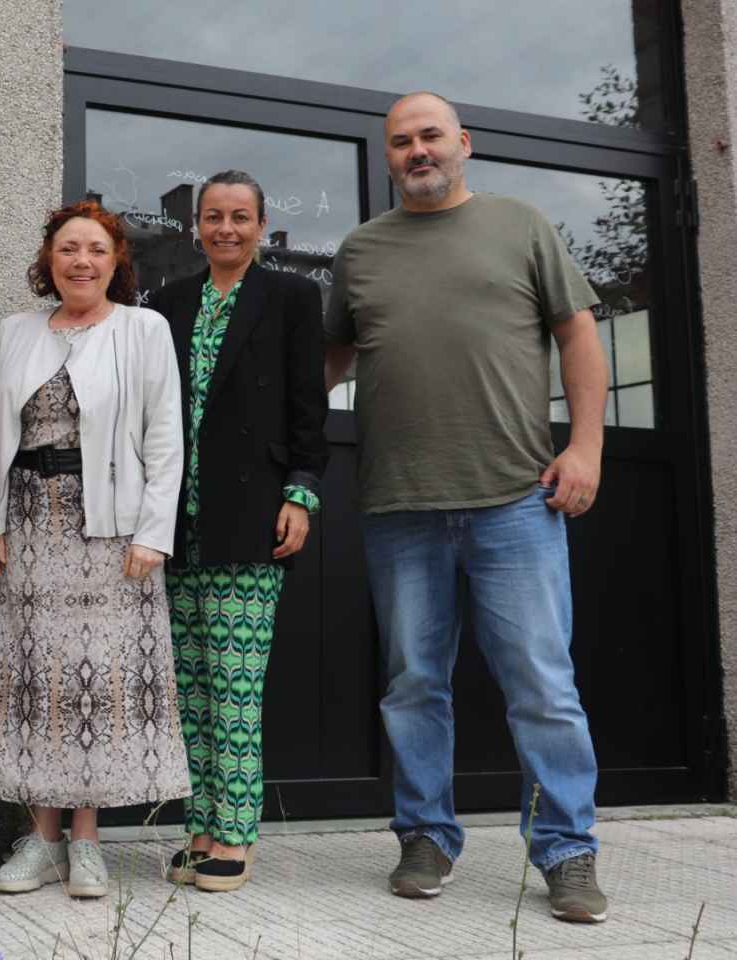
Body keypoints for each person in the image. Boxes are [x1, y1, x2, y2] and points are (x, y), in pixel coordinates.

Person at [324, 92, 609, 922]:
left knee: (542, 685)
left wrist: (585, 447)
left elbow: (580, 334)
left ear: (465, 144)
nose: (418, 151)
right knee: (413, 683)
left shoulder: (521, 226)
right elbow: (330, 361)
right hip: (398, 504)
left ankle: (567, 849)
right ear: (388, 157)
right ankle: (425, 835)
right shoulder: (360, 250)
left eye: (431, 137)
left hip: (516, 499)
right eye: (402, 141)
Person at [0, 199, 187, 899]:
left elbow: (163, 436)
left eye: (95, 249)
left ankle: (86, 843)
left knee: (96, 682)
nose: (81, 261)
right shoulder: (18, 331)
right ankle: (41, 839)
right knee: (39, 681)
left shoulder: (142, 329)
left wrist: (154, 531)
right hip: (29, 525)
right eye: (68, 249)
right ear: (49, 261)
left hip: (109, 529)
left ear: (116, 260)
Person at [159, 171, 328, 893]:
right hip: (177, 521)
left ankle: (236, 833)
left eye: (240, 217)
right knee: (189, 689)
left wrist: (301, 494)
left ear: (261, 225)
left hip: (252, 514)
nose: (225, 228)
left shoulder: (291, 298)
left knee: (234, 685)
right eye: (213, 217)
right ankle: (199, 827)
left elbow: (306, 407)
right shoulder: (168, 302)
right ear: (195, 225)